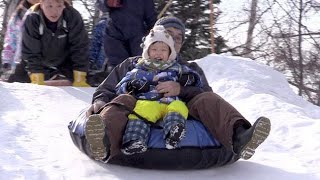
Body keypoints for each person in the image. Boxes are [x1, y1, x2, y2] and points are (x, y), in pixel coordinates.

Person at [83, 16, 271, 165]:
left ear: (179, 44)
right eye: (168, 34)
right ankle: (103, 141)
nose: (173, 39)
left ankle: (240, 137)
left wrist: (180, 89)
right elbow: (108, 88)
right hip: (137, 109)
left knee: (207, 99)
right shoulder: (131, 64)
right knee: (123, 99)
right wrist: (99, 102)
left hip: (178, 110)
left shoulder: (189, 69)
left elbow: (205, 93)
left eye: (178, 37)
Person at [115, 25, 203, 155]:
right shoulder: (139, 69)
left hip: (171, 101)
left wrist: (188, 79)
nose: (158, 53)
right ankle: (134, 140)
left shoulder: (177, 68)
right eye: (154, 49)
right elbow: (121, 86)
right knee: (141, 111)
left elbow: (197, 80)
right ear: (147, 52)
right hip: (148, 101)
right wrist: (131, 85)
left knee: (179, 107)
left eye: (163, 50)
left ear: (170, 53)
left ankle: (173, 134)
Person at [6, 0, 90, 87]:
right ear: (41, 4)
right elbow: (30, 51)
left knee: (90, 80)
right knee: (15, 81)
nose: (54, 11)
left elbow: (80, 47)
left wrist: (80, 76)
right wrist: (37, 77)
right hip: (39, 60)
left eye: (59, 6)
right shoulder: (32, 17)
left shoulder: (72, 16)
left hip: (65, 61)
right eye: (49, 6)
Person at [102, 0, 157, 72]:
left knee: (138, 63)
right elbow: (100, 4)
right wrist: (106, 2)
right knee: (116, 65)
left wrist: (154, 31)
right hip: (114, 32)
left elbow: (151, 17)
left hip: (137, 36)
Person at [0, 0, 40, 81]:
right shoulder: (18, 15)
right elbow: (10, 40)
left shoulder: (50, 12)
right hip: (19, 65)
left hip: (41, 66)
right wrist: (7, 62)